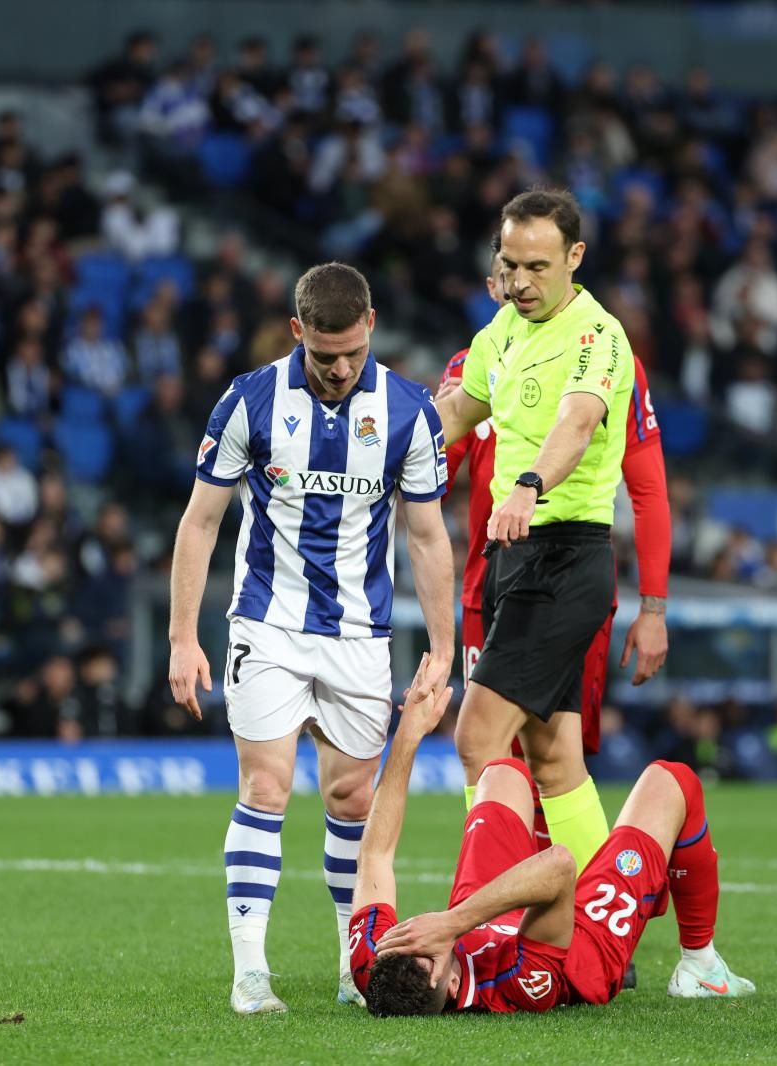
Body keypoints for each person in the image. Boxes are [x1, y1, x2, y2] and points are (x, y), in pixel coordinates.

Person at [166, 262, 454, 1015]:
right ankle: (250, 973)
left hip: (361, 635)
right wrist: (180, 638)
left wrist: (446, 648)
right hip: (267, 622)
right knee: (265, 786)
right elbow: (200, 521)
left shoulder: (409, 412)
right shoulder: (250, 400)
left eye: (353, 353)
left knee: (352, 797)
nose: (339, 368)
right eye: (325, 355)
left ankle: (347, 965)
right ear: (298, 332)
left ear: (371, 328)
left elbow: (427, 538)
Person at [347, 653, 754, 1016]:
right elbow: (559, 866)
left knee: (503, 774)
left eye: (406, 939)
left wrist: (409, 732)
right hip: (576, 943)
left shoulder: (378, 963)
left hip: (484, 916)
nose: (417, 933)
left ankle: (530, 870)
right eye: (427, 946)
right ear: (449, 984)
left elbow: (375, 855)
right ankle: (701, 965)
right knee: (672, 781)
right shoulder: (524, 984)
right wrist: (452, 923)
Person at [431, 187, 637, 882]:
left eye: (537, 267)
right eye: (509, 263)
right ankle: (603, 917)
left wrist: (527, 485)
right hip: (512, 560)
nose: (519, 282)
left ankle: (487, 906)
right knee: (553, 758)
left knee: (476, 737)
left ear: (575, 257)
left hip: (564, 554)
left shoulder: (597, 336)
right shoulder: (504, 329)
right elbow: (457, 412)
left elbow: (576, 425)